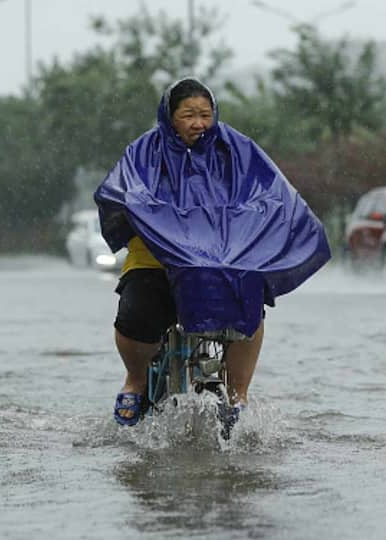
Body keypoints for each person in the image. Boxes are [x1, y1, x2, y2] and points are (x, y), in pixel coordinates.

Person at [94, 78, 330, 427]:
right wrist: (164, 224)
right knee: (135, 313)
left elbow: (268, 193)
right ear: (169, 117)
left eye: (205, 114)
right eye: (188, 114)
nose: (198, 123)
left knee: (251, 299)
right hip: (156, 261)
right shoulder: (145, 152)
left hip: (223, 260)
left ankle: (237, 397)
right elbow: (125, 191)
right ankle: (136, 381)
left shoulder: (237, 150)